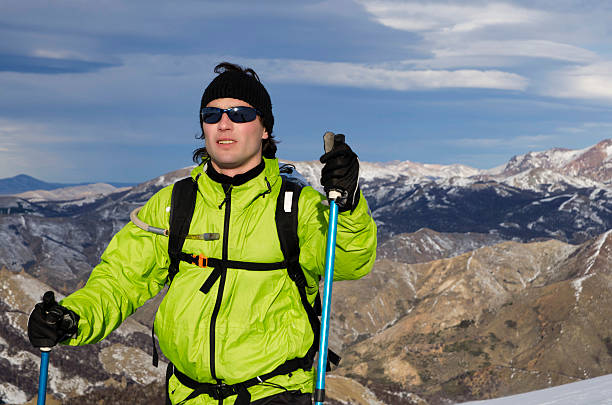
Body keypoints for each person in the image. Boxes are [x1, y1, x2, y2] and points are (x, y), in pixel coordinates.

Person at [27, 62, 377, 404]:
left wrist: (347, 205)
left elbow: (347, 262)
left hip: (275, 393)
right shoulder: (175, 203)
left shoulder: (296, 205)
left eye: (240, 114)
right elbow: (120, 280)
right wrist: (72, 318)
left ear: (264, 128)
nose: (224, 124)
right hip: (188, 394)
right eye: (212, 115)